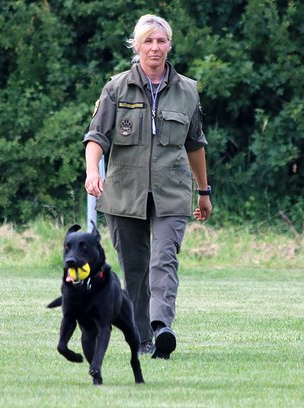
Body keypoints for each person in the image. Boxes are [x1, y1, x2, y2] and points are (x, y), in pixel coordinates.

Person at [83, 14, 212, 360]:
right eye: (148, 41)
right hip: (125, 193)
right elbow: (96, 137)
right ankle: (141, 338)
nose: (155, 48)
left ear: (170, 45)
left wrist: (204, 191)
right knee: (135, 270)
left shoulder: (187, 90)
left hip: (172, 192)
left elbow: (195, 144)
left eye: (161, 41)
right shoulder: (116, 88)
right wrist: (92, 171)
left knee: (163, 261)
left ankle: (160, 328)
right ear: (137, 46)